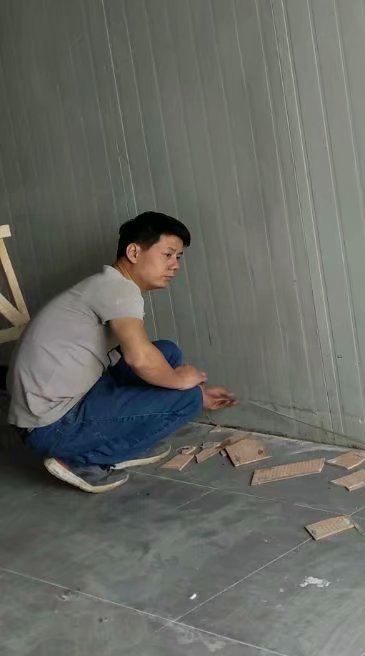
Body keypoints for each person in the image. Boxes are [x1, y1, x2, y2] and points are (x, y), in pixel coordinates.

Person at [7, 211, 236, 493]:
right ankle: (81, 460)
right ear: (134, 252)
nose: (175, 265)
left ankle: (120, 441)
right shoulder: (118, 290)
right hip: (51, 426)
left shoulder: (109, 285)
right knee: (186, 398)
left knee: (166, 352)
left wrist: (190, 385)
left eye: (179, 257)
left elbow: (143, 356)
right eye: (167, 254)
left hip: (51, 410)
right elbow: (139, 359)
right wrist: (184, 385)